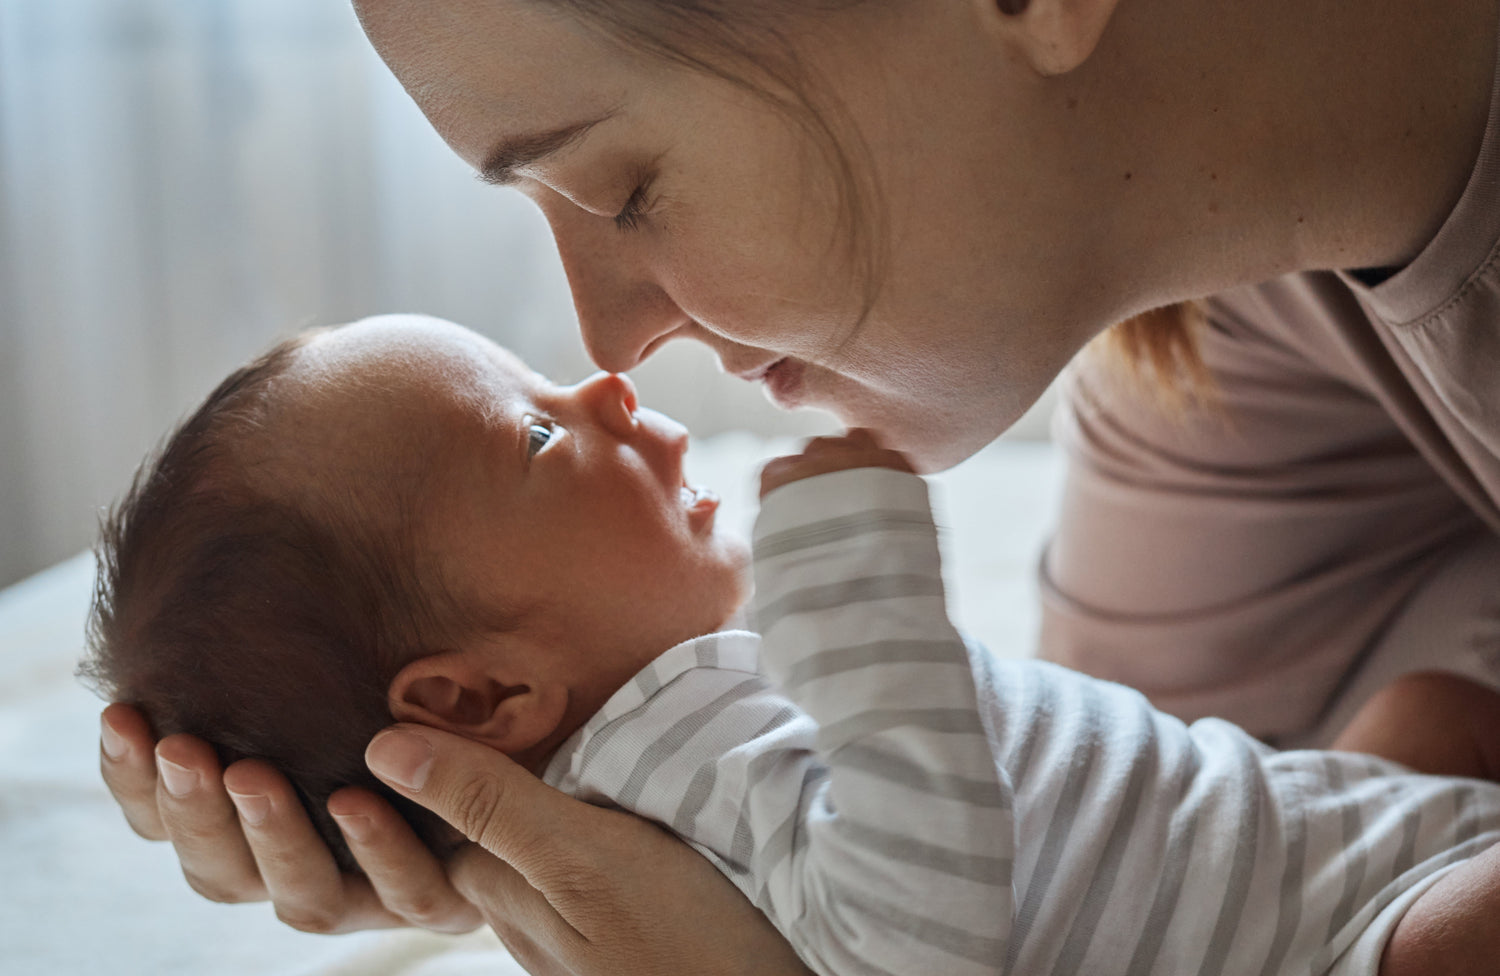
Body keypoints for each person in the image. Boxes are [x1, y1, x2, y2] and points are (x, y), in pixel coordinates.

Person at [94, 0, 1500, 971]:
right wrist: (521, 839)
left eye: (625, 186)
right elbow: (1210, 826)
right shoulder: (1231, 308)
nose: (612, 344)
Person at [84, 314, 1500, 975]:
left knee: (1427, 727)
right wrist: (861, 602)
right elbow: (917, 934)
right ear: (482, 693)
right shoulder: (663, 773)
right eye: (531, 431)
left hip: (1305, 846)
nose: (606, 386)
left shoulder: (668, 730)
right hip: (1338, 932)